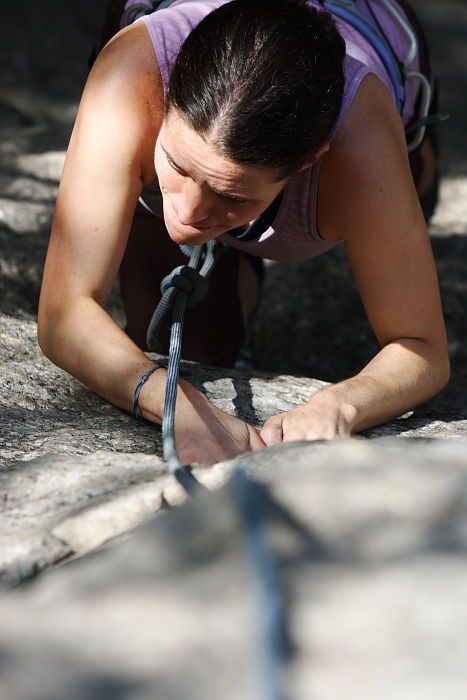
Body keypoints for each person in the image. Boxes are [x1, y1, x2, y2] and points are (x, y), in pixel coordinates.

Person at [37, 0, 450, 465]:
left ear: (311, 160)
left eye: (231, 195)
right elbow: (63, 313)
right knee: (190, 347)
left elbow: (423, 346)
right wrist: (171, 400)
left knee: (411, 187)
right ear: (165, 98)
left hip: (372, 28)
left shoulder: (362, 149)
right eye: (177, 164)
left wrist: (340, 405)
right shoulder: (134, 76)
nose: (188, 216)